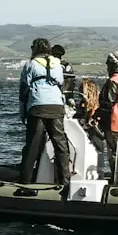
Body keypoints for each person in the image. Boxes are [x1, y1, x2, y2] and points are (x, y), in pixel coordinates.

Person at [17, 37, 71, 187]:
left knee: (33, 144)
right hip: (56, 106)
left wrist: (22, 112)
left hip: (38, 106)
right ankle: (65, 181)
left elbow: (24, 90)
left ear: (34, 48)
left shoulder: (30, 65)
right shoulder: (57, 64)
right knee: (60, 144)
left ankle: (25, 180)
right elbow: (60, 84)